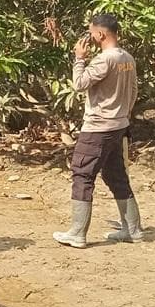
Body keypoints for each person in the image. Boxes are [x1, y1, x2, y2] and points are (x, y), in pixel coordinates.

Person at [54, 14, 143, 249]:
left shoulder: (104, 60)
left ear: (101, 34)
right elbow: (133, 92)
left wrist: (79, 59)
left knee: (82, 175)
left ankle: (77, 233)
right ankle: (132, 229)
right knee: (116, 175)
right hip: (118, 126)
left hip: (98, 128)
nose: (90, 36)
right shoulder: (127, 58)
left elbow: (80, 84)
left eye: (92, 32)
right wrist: (122, 114)